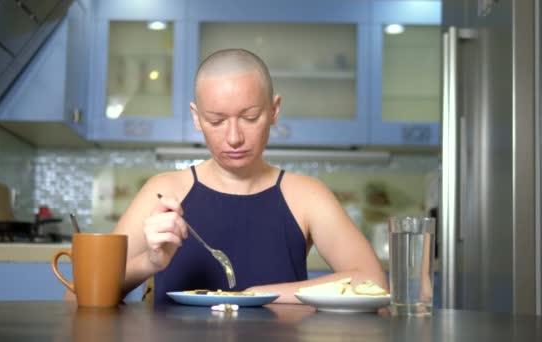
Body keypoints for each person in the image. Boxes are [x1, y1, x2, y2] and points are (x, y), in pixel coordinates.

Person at [105, 48, 386, 305]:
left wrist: (255, 295)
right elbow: (79, 293)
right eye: (216, 121)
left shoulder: (306, 195)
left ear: (274, 111)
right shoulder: (165, 190)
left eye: (250, 117)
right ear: (196, 117)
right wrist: (149, 263)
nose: (234, 138)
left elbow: (374, 282)